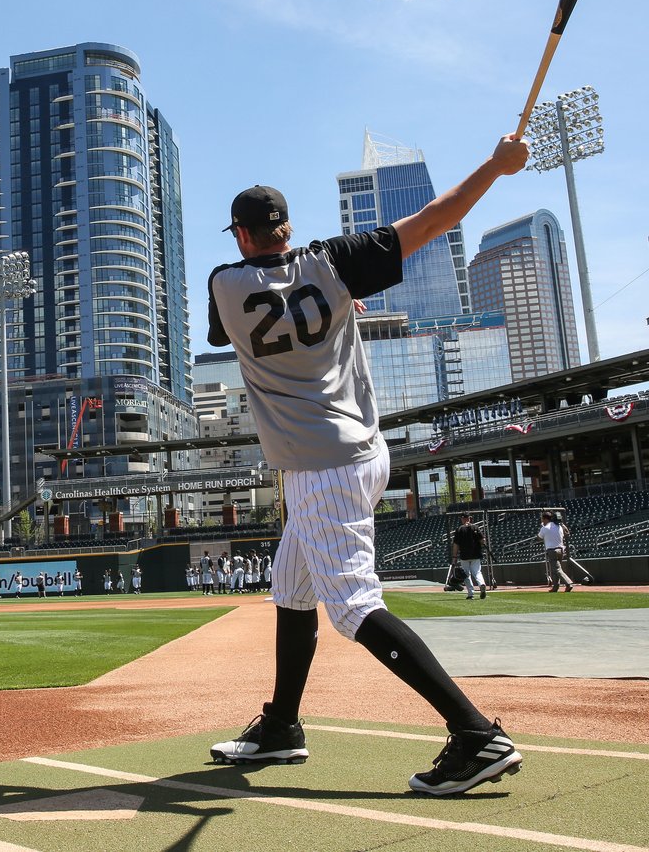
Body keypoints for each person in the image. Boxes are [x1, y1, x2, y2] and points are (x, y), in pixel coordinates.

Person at [205, 135, 528, 796]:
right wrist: (496, 166)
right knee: (292, 588)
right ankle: (281, 727)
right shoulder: (336, 263)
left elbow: (242, 321)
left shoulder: (224, 283)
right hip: (356, 453)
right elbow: (437, 219)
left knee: (352, 606)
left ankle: (474, 733)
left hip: (321, 468)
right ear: (288, 226)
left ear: (241, 235)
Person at [451, 513, 487, 600]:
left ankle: (471, 593)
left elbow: (456, 545)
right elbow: (483, 540)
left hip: (464, 555)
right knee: (477, 572)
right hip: (476, 554)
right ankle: (481, 584)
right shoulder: (475, 527)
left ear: (463, 519)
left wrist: (454, 557)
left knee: (466, 574)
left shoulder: (459, 529)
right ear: (469, 519)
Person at [539, 511, 574, 592]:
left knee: (557, 569)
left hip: (552, 550)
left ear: (545, 519)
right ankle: (555, 587)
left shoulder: (545, 527)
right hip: (561, 550)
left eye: (542, 519)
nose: (542, 521)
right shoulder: (559, 526)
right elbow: (567, 533)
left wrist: (542, 527)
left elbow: (539, 537)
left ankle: (568, 583)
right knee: (556, 569)